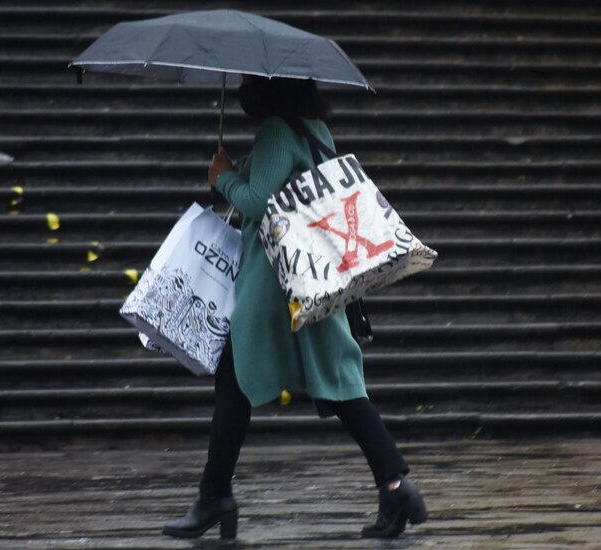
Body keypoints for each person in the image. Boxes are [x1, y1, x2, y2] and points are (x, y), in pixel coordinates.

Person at [162, 75, 428, 540]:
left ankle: (214, 498)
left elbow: (259, 201)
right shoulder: (311, 129)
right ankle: (397, 485)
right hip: (314, 281)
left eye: (249, 81)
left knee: (234, 380)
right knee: (342, 386)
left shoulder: (277, 132)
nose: (244, 87)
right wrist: (235, 170)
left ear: (270, 89)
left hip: (275, 287)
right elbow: (273, 183)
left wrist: (222, 178)